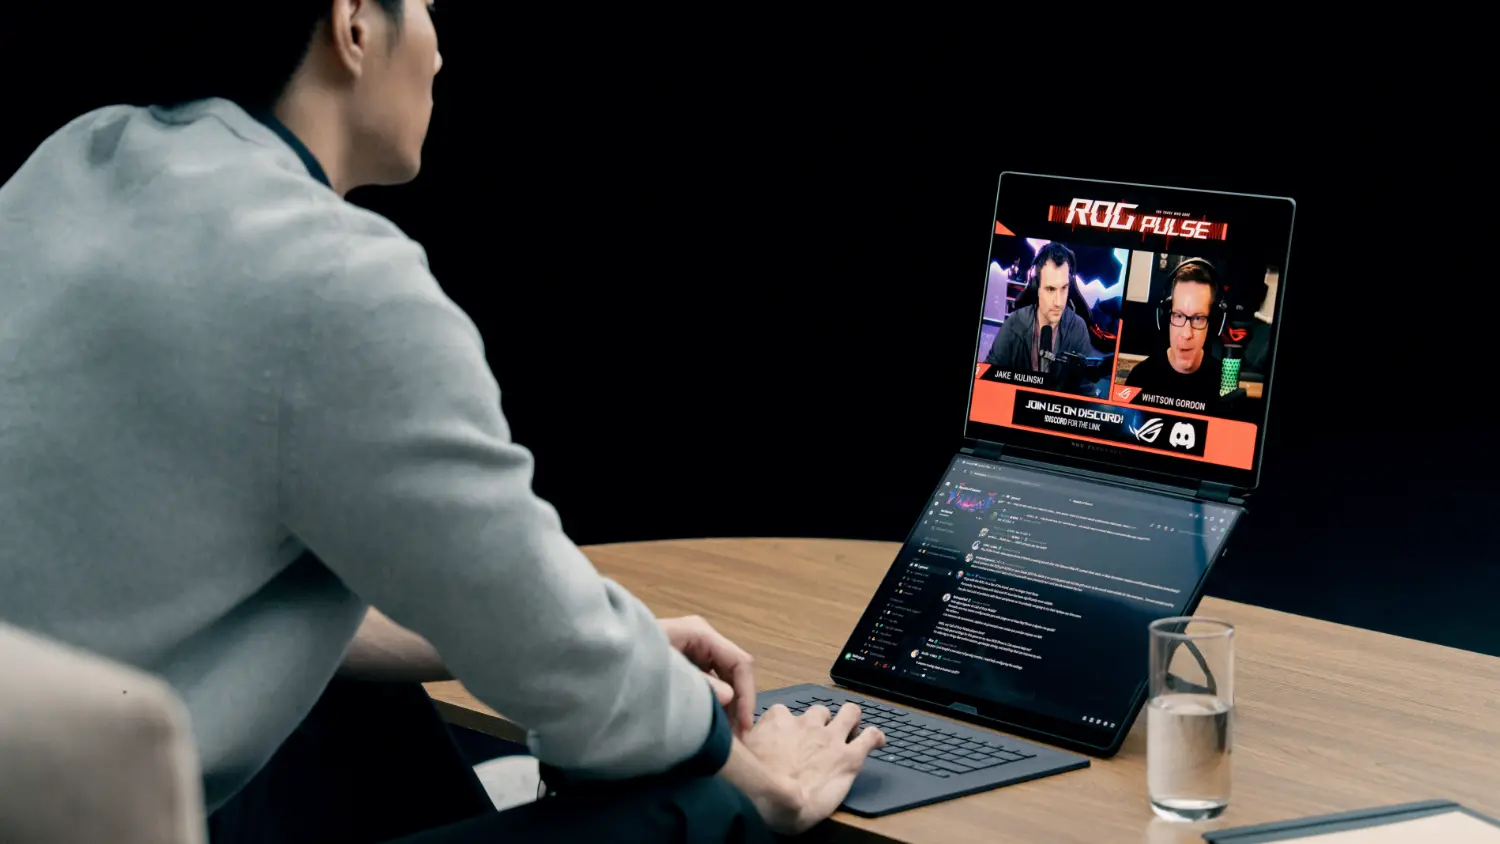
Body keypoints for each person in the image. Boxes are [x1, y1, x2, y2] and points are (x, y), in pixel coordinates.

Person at [0, 2, 883, 842]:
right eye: (425, 11)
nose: (437, 50)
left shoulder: (76, 162)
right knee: (707, 811)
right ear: (353, 24)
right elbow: (571, 673)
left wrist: (607, 643)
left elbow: (233, 601)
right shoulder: (334, 280)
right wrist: (766, 779)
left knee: (357, 707)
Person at [985, 242, 1094, 382]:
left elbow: (1085, 387)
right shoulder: (1014, 322)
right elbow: (989, 374)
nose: (1058, 302)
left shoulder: (1078, 328)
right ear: (1036, 287)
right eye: (1050, 289)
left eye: (1064, 288)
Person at [1125, 259, 1225, 409]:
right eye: (1178, 316)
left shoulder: (1223, 383)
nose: (1186, 334)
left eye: (1198, 318)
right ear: (1166, 318)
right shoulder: (1140, 377)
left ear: (1212, 323)